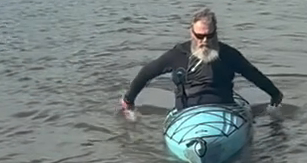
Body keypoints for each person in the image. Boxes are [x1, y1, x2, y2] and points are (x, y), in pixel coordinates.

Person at [121, 8, 283, 114]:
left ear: (216, 32)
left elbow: (253, 74)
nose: (204, 40)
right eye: (199, 36)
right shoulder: (177, 55)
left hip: (224, 111)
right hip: (186, 114)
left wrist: (275, 94)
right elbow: (146, 73)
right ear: (191, 33)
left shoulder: (228, 54)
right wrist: (129, 100)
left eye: (209, 36)